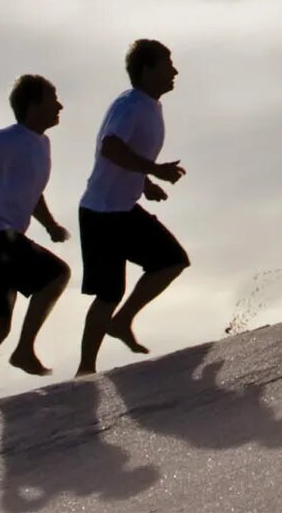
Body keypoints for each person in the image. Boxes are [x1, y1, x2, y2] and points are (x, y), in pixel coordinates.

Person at [77, 40, 189, 377]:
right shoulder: (131, 106)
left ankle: (123, 321)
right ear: (146, 70)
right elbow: (110, 148)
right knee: (108, 293)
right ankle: (86, 370)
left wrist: (145, 183)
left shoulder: (149, 106)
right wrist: (154, 171)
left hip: (121, 209)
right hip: (101, 213)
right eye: (166, 64)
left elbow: (121, 154)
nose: (174, 71)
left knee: (171, 260)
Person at [0, 76, 72, 376]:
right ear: (33, 105)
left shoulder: (42, 144)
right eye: (53, 98)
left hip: (5, 238)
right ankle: (24, 351)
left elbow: (32, 191)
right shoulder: (4, 140)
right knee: (57, 274)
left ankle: (22, 350)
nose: (60, 105)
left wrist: (50, 224)